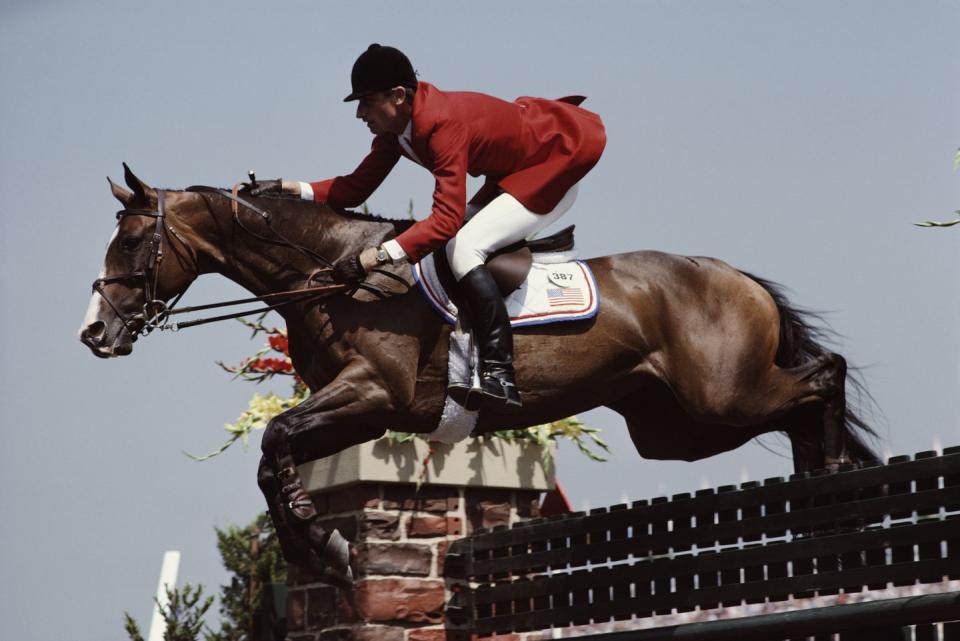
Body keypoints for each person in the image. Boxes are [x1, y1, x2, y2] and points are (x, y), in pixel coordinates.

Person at [249, 44, 605, 412]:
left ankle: (501, 375)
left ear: (398, 96)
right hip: (511, 174)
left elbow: (446, 220)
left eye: (367, 102)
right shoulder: (397, 131)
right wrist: (288, 188)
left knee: (464, 247)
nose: (360, 113)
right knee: (449, 243)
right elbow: (356, 187)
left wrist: (374, 256)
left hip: (550, 169)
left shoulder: (442, 125)